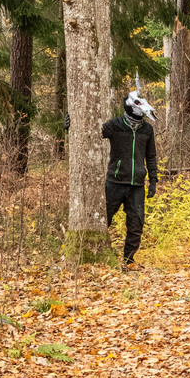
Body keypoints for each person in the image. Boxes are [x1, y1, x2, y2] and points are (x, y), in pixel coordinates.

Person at [65, 89, 160, 269]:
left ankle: (129, 261)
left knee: (136, 223)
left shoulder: (147, 129)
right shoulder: (116, 124)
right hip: (115, 182)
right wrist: (71, 125)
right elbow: (91, 134)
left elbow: (151, 156)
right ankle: (90, 253)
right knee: (104, 219)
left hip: (137, 185)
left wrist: (153, 180)